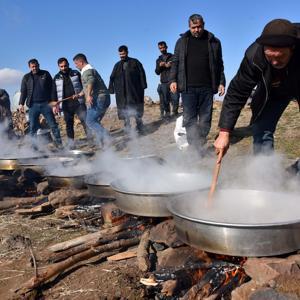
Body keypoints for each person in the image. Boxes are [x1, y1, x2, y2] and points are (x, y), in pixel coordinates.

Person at [214, 19, 300, 159]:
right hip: (272, 92)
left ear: (293, 48)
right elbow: (237, 93)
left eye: (281, 57)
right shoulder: (254, 57)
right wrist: (224, 132)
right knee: (261, 128)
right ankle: (264, 173)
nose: (275, 63)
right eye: (270, 57)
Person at [169, 14, 225, 152]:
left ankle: (199, 142)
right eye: (194, 27)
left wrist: (221, 82)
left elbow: (219, 64)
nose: (197, 30)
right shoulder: (182, 41)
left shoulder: (213, 41)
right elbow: (175, 62)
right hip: (188, 88)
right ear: (189, 26)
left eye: (199, 26)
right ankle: (194, 148)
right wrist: (173, 80)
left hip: (207, 87)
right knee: (189, 119)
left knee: (205, 120)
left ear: (203, 25)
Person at [19, 59, 63, 149]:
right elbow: (23, 91)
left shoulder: (45, 74)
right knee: (32, 128)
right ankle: (34, 148)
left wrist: (53, 101)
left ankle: (59, 145)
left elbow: (52, 88)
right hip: (33, 105)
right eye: (32, 67)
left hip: (46, 104)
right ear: (29, 67)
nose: (34, 68)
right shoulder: (26, 77)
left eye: (36, 66)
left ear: (39, 65)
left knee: (53, 125)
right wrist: (21, 103)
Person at [73, 53, 111, 147]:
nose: (76, 66)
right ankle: (103, 145)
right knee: (95, 121)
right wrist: (80, 94)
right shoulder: (90, 69)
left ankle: (107, 137)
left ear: (81, 62)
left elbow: (90, 81)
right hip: (104, 97)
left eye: (76, 64)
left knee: (90, 121)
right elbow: (87, 86)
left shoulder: (86, 70)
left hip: (98, 98)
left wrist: (89, 95)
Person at [52, 57, 91, 148]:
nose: (63, 68)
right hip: (66, 105)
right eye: (61, 66)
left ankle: (91, 140)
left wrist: (83, 94)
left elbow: (84, 85)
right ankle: (71, 144)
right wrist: (55, 104)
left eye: (65, 66)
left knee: (85, 122)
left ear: (68, 65)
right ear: (58, 67)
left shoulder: (76, 73)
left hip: (78, 103)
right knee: (69, 125)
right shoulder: (56, 77)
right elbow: (54, 91)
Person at [109, 45, 147, 133]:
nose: (122, 56)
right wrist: (111, 89)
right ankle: (127, 128)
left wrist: (143, 85)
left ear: (127, 52)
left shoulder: (135, 62)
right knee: (124, 109)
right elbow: (112, 77)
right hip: (121, 92)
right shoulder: (117, 65)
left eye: (123, 54)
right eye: (120, 54)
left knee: (136, 108)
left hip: (134, 90)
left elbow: (142, 73)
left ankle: (140, 126)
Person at [155, 41, 179, 119]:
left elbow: (178, 67)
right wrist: (160, 66)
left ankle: (175, 112)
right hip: (164, 82)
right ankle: (168, 114)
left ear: (166, 47)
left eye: (163, 47)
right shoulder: (158, 59)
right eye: (160, 48)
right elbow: (157, 72)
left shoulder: (173, 57)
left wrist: (171, 65)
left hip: (173, 81)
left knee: (175, 98)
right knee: (165, 99)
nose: (162, 49)